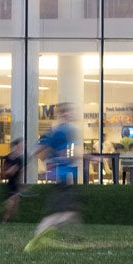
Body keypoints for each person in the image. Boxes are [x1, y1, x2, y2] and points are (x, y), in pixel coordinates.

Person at [25, 104, 83, 252]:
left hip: (59, 177)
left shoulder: (52, 131)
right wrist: (89, 156)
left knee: (68, 213)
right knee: (68, 214)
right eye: (69, 111)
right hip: (63, 177)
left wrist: (45, 160)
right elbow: (74, 153)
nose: (71, 114)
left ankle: (39, 235)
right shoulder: (68, 130)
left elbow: (37, 150)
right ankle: (39, 236)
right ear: (63, 114)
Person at [1, 137, 27, 223]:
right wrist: (9, 171)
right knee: (12, 201)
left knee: (15, 201)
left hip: (16, 182)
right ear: (15, 146)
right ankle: (5, 218)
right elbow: (4, 172)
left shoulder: (20, 159)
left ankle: (9, 217)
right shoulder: (8, 158)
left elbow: (21, 171)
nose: (22, 146)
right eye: (20, 145)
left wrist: (21, 184)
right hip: (11, 182)